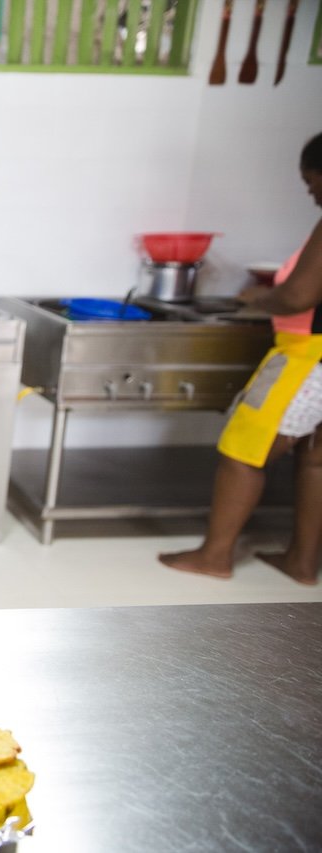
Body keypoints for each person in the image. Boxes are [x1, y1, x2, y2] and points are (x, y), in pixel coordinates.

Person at [160, 132, 322, 585]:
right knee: (315, 460)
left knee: (243, 451)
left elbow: (300, 295)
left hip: (306, 357)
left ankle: (215, 555)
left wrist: (259, 297)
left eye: (311, 181)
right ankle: (303, 563)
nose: (309, 190)